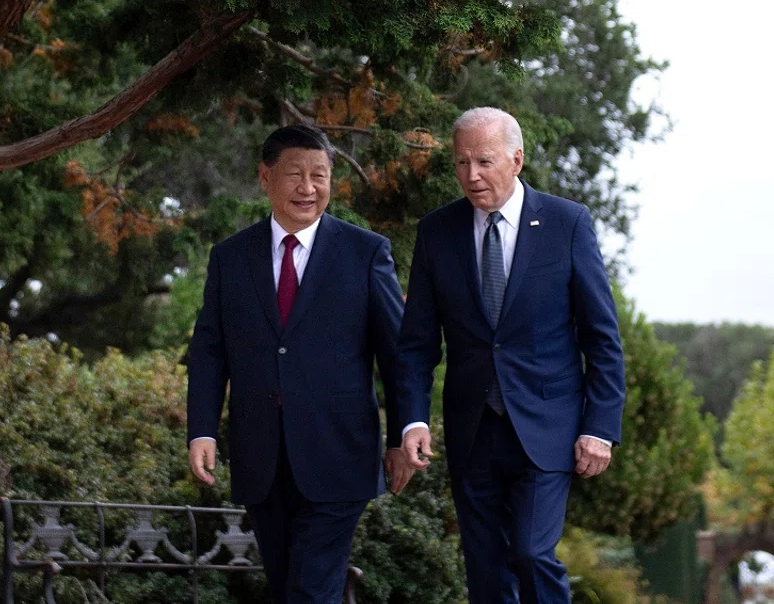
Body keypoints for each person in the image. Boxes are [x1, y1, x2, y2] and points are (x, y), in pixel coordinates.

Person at [396, 107, 626, 603]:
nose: (471, 175)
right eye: (461, 163)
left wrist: (600, 427)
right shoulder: (437, 233)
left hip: (548, 424)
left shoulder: (568, 224)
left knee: (530, 551)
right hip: (471, 428)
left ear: (516, 159)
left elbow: (601, 336)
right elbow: (416, 343)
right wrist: (412, 419)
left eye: (484, 160)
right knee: (485, 570)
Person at [186, 125, 412, 604]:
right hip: (261, 456)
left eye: (320, 175)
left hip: (341, 454)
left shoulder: (366, 252)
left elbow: (397, 353)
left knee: (311, 588)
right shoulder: (230, 257)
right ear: (265, 177)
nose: (308, 188)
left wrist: (402, 435)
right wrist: (202, 430)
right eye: (295, 174)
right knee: (289, 583)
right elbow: (210, 351)